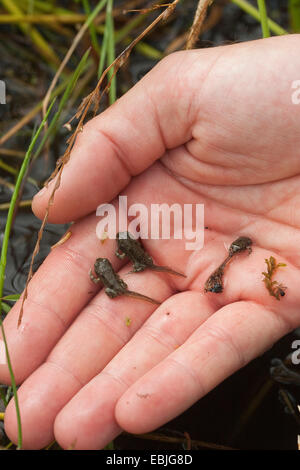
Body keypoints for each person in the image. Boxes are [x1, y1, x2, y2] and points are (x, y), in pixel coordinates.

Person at [1, 34, 300, 450]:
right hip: (134, 272)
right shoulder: (129, 254)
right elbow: (123, 253)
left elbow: (120, 254)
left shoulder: (126, 253)